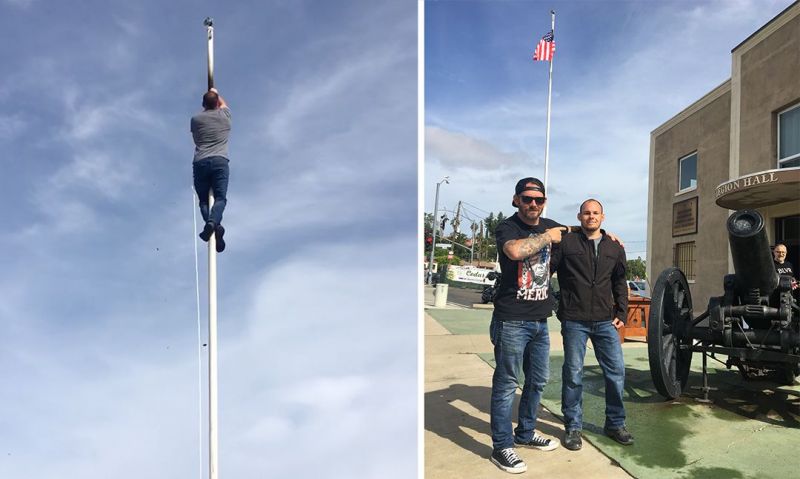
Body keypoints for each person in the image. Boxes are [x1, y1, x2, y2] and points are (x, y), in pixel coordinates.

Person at [489, 177, 566, 474]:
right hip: (511, 319)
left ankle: (525, 433)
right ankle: (502, 446)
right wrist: (548, 237)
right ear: (516, 200)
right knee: (507, 383)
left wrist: (607, 236)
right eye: (527, 199)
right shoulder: (507, 227)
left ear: (544, 202)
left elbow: (579, 232)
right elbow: (514, 252)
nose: (533, 204)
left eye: (539, 199)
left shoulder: (551, 223)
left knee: (537, 381)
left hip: (539, 321)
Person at [550, 199, 632, 451]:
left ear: (602, 217)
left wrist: (622, 311)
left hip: (606, 320)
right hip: (574, 319)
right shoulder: (567, 243)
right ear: (579, 216)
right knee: (573, 373)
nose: (591, 217)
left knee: (616, 373)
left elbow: (620, 281)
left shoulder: (615, 247)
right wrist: (557, 303)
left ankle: (615, 423)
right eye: (586, 213)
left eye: (595, 213)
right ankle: (573, 427)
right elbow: (547, 272)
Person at [191, 88, 231, 253]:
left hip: (200, 162)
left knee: (203, 201)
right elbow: (223, 104)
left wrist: (208, 102)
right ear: (217, 103)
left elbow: (195, 137)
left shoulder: (195, 119)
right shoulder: (225, 117)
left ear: (203, 104)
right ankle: (214, 223)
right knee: (220, 198)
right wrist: (215, 91)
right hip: (220, 161)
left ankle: (212, 224)